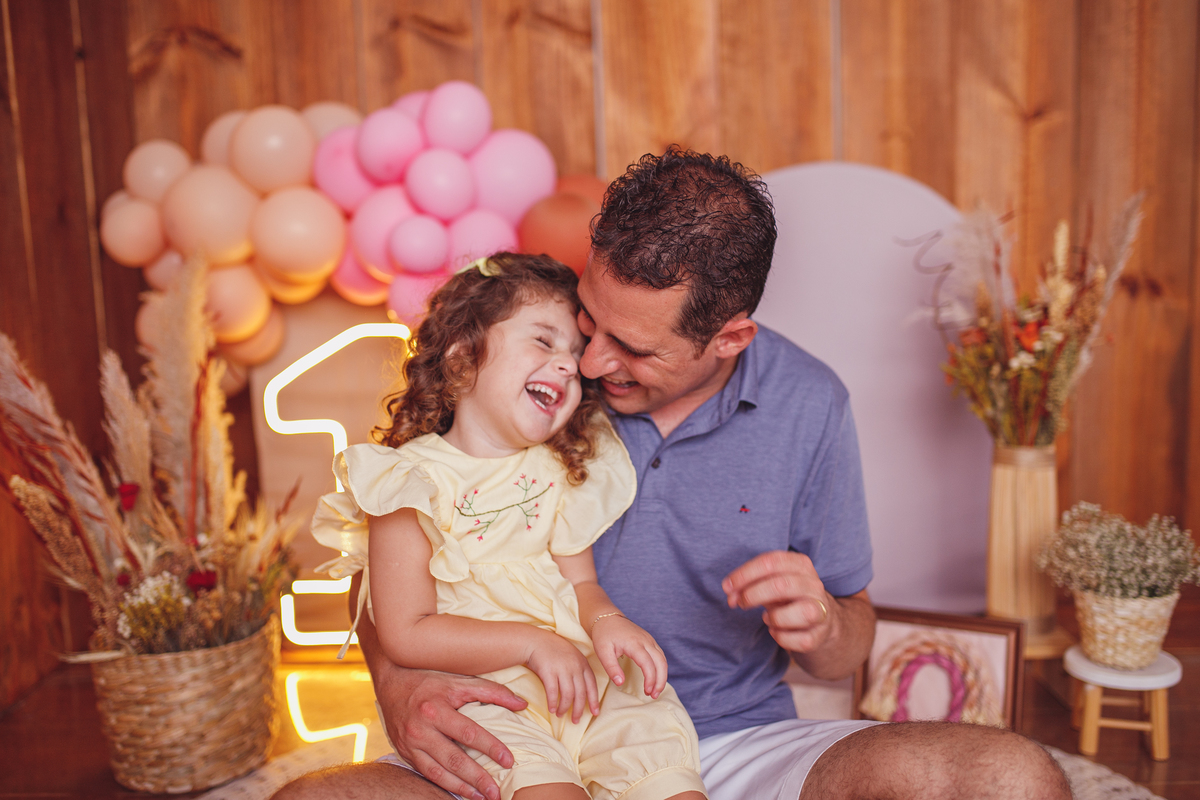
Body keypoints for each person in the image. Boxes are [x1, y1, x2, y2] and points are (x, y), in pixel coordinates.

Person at [274, 148, 1071, 800]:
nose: (589, 361)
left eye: (635, 349)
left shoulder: (809, 404)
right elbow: (390, 570)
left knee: (1014, 778)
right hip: (520, 722)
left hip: (732, 744)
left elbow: (846, 644)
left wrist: (824, 622)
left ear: (729, 338)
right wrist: (400, 688)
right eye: (589, 316)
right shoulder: (529, 373)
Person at [308, 252, 708, 800]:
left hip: (584, 682)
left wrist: (609, 621)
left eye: (574, 352)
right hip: (489, 696)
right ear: (463, 356)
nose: (570, 365)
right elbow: (406, 630)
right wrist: (529, 645)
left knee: (663, 773)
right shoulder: (407, 481)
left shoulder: (563, 468)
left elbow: (582, 584)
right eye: (544, 342)